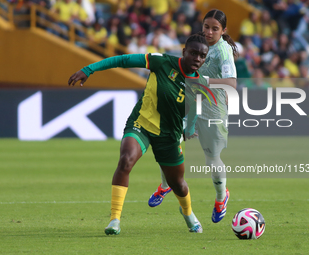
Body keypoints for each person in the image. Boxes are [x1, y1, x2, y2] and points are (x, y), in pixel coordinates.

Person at [68, 32, 210, 235]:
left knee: (178, 184)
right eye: (193, 53)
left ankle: (187, 213)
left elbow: (194, 112)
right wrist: (89, 69)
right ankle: (114, 220)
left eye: (202, 55)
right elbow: (124, 60)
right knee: (126, 160)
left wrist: (189, 130)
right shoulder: (161, 62)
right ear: (184, 51)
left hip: (169, 135)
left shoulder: (201, 85)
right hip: (141, 123)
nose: (197, 59)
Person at [148, 9, 238, 224]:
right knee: (168, 145)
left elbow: (232, 84)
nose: (209, 32)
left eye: (215, 29)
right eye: (206, 26)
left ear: (223, 31)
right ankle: (166, 184)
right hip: (189, 103)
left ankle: (220, 197)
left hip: (212, 108)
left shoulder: (223, 52)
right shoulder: (198, 43)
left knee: (212, 159)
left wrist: (204, 83)